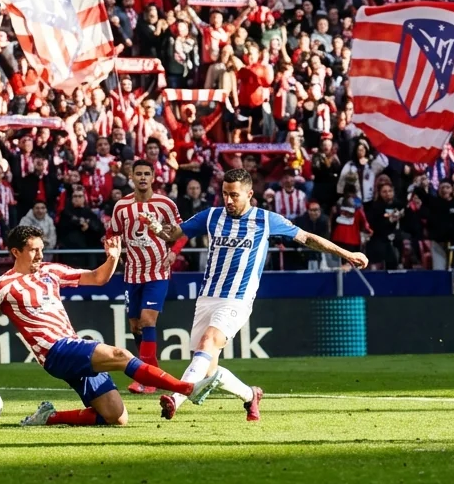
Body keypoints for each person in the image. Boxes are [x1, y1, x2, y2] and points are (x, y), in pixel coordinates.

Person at [0, 227, 216, 426]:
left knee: (116, 418)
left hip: (72, 346)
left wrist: (112, 258)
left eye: (42, 249)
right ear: (15, 252)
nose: (40, 255)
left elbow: (96, 278)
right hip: (55, 351)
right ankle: (187, 388)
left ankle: (48, 417)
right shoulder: (2, 286)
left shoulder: (52, 272)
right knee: (121, 355)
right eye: (33, 250)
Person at [141, 168, 368, 422]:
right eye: (225, 194)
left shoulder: (265, 219)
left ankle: (176, 398)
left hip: (237, 298)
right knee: (207, 372)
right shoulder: (212, 216)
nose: (228, 200)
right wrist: (156, 227)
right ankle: (251, 395)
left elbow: (307, 239)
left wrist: (347, 254)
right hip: (207, 298)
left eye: (234, 195)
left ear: (249, 194)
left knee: (209, 341)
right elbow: (173, 234)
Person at [104, 160, 181, 394]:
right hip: (132, 273)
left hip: (157, 271)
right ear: (132, 176)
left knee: (148, 320)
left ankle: (145, 378)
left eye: (147, 173)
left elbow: (181, 232)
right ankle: (153, 373)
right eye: (139, 174)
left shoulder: (165, 204)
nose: (143, 177)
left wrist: (173, 253)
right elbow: (112, 233)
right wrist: (112, 252)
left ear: (154, 176)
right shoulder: (122, 206)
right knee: (136, 326)